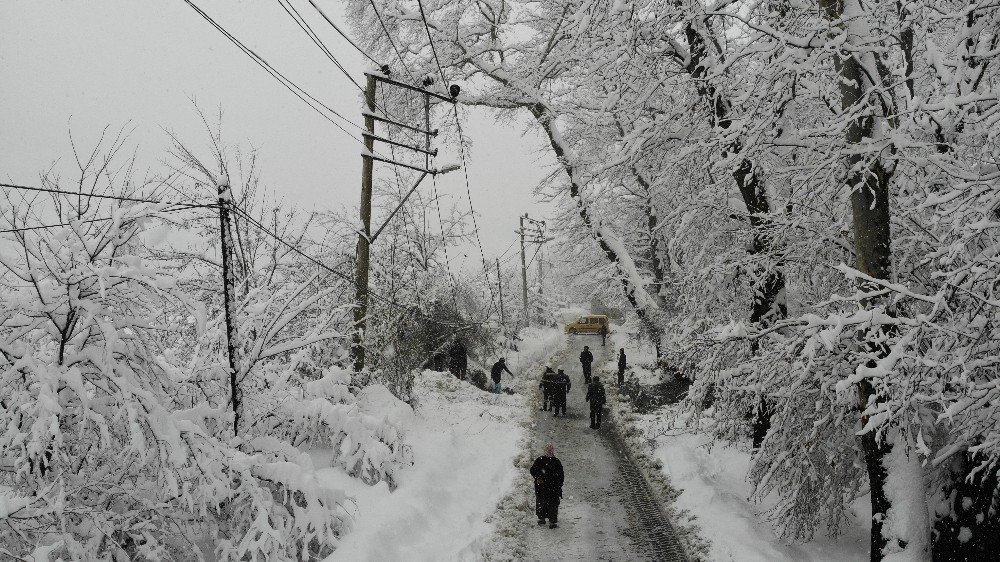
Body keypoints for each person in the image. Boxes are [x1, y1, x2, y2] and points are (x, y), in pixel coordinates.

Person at [529, 443, 564, 529]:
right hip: (542, 488)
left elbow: (561, 475)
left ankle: (552, 521)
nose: (549, 451)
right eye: (547, 449)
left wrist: (558, 485)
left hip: (553, 488)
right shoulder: (539, 460)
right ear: (544, 451)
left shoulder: (556, 462)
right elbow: (533, 470)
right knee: (541, 503)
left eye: (550, 449)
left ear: (553, 451)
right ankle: (542, 518)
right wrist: (538, 477)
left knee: (553, 505)